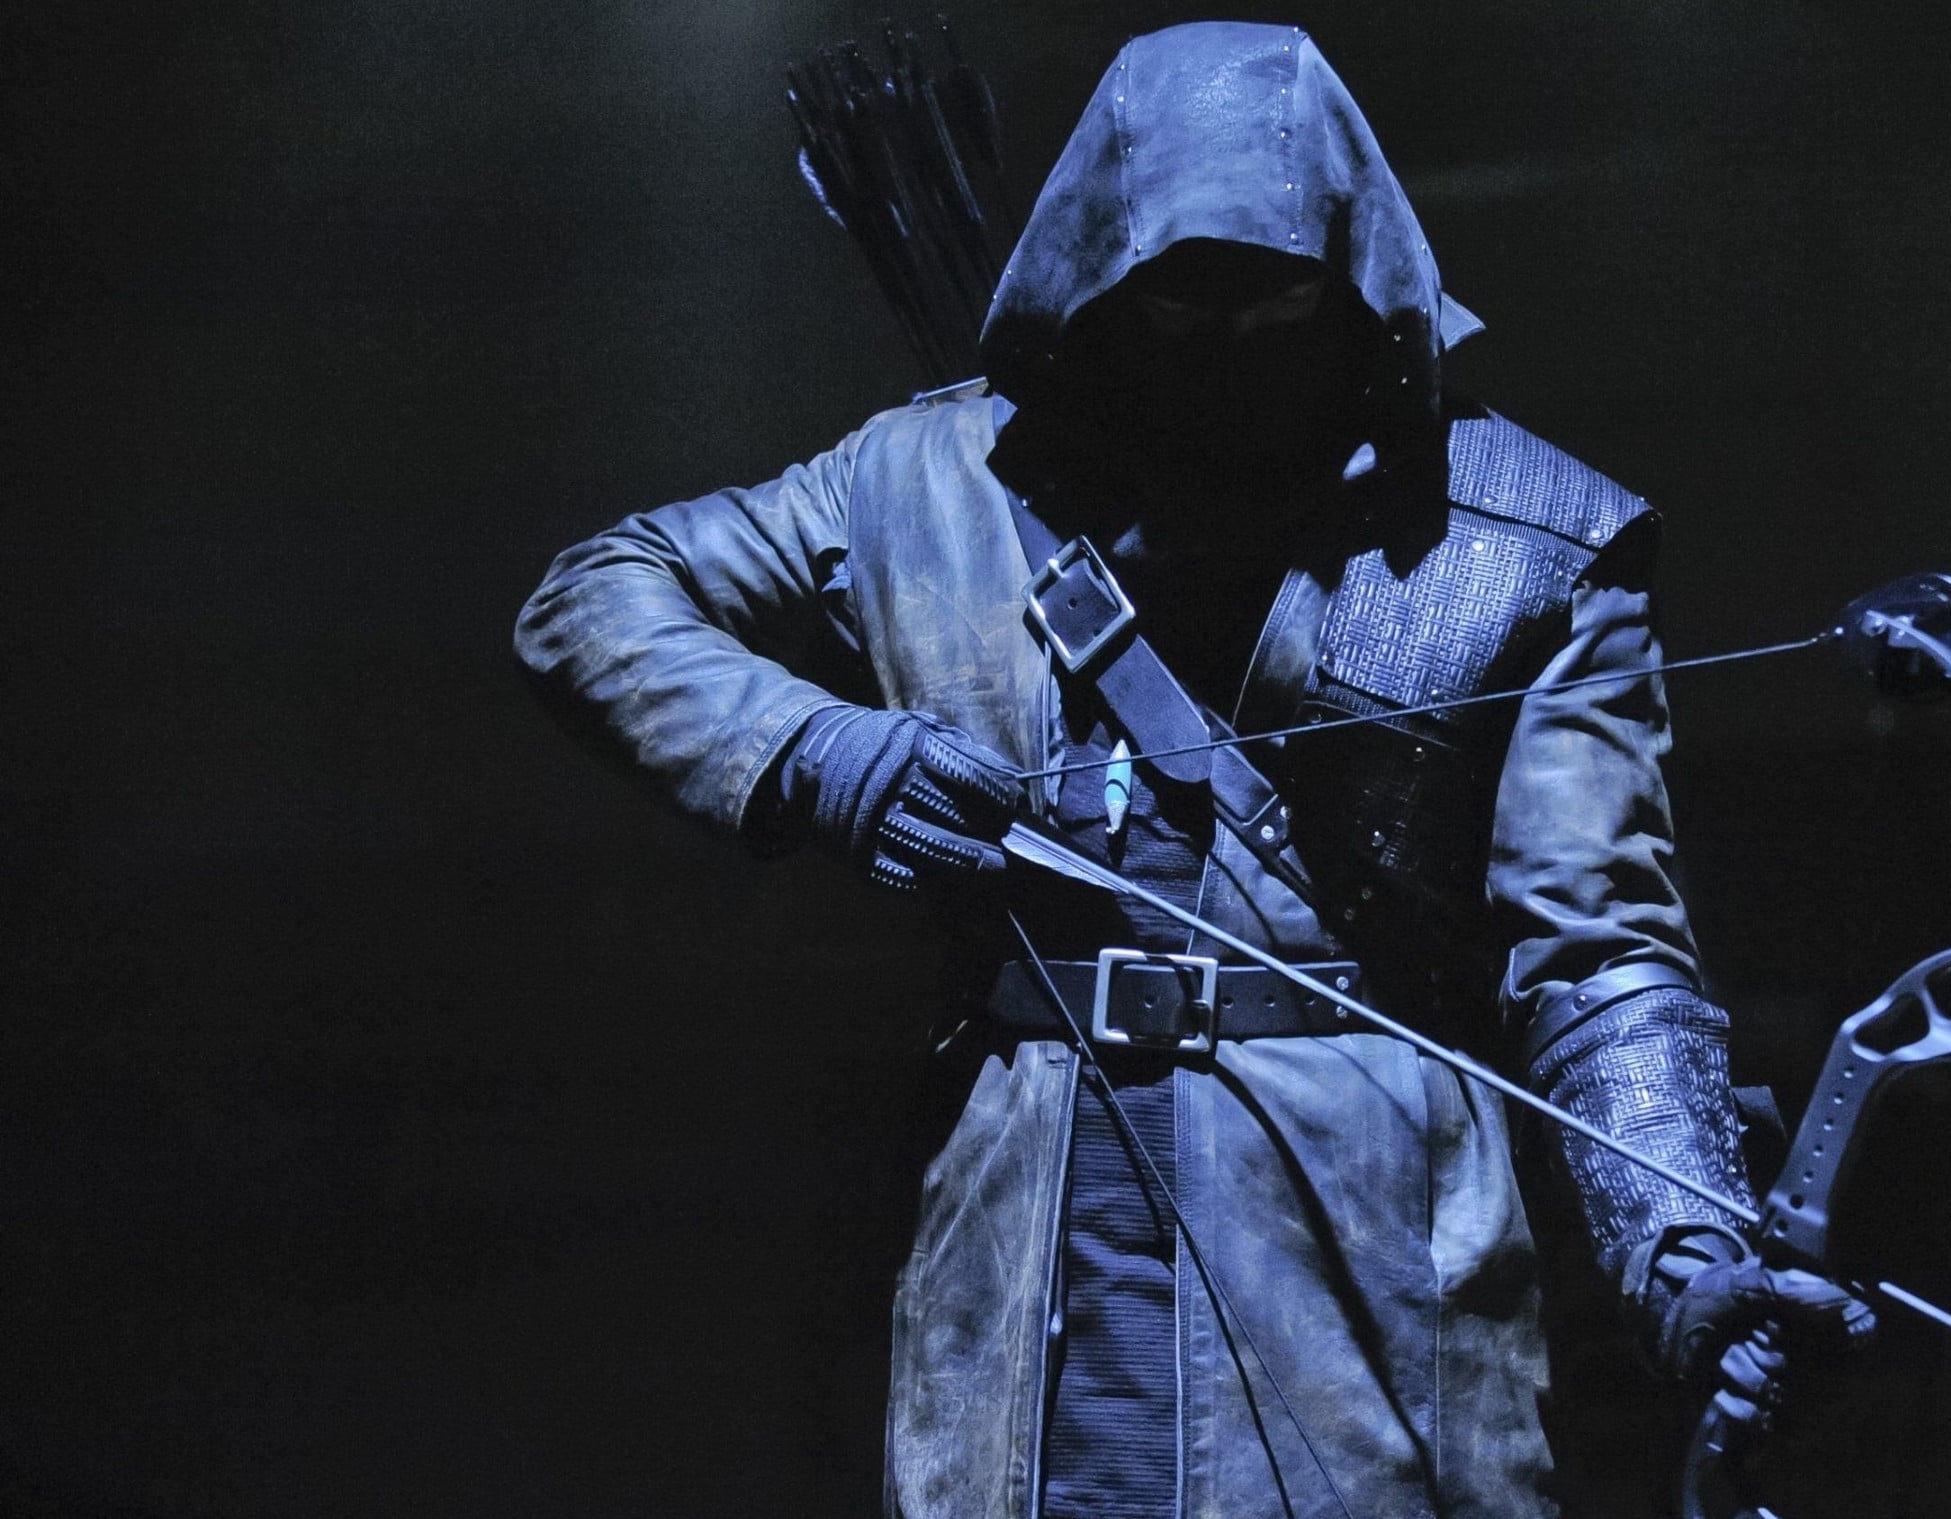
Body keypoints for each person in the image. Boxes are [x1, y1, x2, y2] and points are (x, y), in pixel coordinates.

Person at [516, 21, 1865, 1518]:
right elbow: (597, 599)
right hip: (1028, 1227)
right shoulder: (930, 484)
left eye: (1275, 299)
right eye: (1180, 300)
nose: (1229, 345)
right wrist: (826, 758)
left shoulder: (1523, 536)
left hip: (1362, 1253)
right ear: (1103, 271)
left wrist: (1689, 1254)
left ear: (1354, 274)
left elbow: (1598, 950)